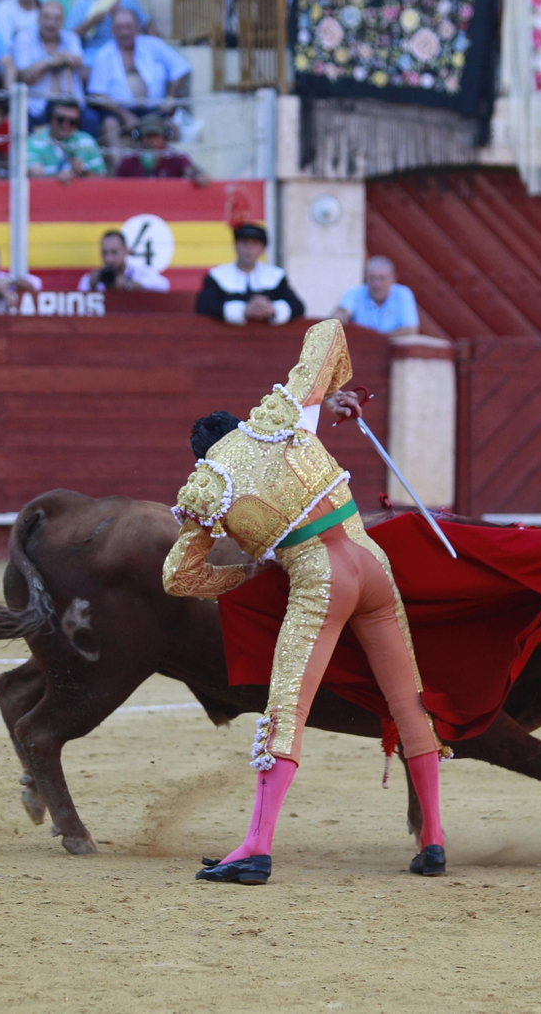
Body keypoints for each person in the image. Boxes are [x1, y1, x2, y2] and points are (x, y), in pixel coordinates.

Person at [164, 320, 450, 885]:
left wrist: (246, 571)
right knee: (407, 699)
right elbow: (328, 331)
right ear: (240, 423)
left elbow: (179, 576)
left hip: (320, 580)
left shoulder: (206, 485)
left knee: (287, 707)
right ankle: (434, 839)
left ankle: (255, 847)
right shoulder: (281, 415)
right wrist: (333, 387)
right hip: (371, 564)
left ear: (202, 456)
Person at [86, 8, 190, 148]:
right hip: (118, 111)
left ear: (137, 27)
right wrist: (125, 115)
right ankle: (119, 169)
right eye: (119, 28)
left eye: (128, 27)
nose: (124, 32)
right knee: (110, 124)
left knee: (172, 130)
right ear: (113, 30)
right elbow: (97, 93)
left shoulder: (153, 45)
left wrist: (170, 98)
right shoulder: (104, 54)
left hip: (154, 109)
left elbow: (181, 68)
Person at [195, 223, 304, 326]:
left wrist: (272, 308)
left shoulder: (275, 276)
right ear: (236, 245)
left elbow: (298, 307)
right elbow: (203, 306)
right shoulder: (217, 275)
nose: (249, 249)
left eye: (255, 244)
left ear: (262, 249)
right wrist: (243, 310)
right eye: (244, 243)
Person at [14, 0, 82, 128]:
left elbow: (77, 61)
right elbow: (25, 76)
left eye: (57, 19)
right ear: (38, 18)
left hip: (70, 106)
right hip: (35, 106)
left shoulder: (71, 38)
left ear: (63, 22)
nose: (51, 23)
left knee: (91, 119)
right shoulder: (24, 38)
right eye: (46, 17)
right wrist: (52, 60)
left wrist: (42, 65)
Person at [333, 256, 420, 338]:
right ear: (366, 279)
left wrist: (376, 339)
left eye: (382, 278)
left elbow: (410, 330)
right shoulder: (355, 293)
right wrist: (340, 314)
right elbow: (340, 314)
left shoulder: (403, 295)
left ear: (393, 279)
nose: (377, 284)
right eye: (372, 278)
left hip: (392, 351)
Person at [24, 97, 104, 181]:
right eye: (61, 120)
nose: (66, 125)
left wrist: (83, 173)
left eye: (72, 121)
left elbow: (102, 178)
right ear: (50, 118)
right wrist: (58, 177)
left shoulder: (87, 141)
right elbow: (34, 177)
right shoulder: (32, 143)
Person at [114, 117, 207, 185]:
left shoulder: (175, 157)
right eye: (147, 136)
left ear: (164, 138)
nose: (151, 141)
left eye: (156, 136)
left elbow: (189, 170)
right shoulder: (129, 160)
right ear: (140, 138)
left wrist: (198, 174)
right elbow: (117, 184)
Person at [77, 229, 170, 292]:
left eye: (114, 252)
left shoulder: (140, 272)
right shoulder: (95, 278)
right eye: (105, 253)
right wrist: (92, 286)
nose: (109, 259)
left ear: (126, 251)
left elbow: (164, 285)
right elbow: (81, 292)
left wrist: (129, 285)